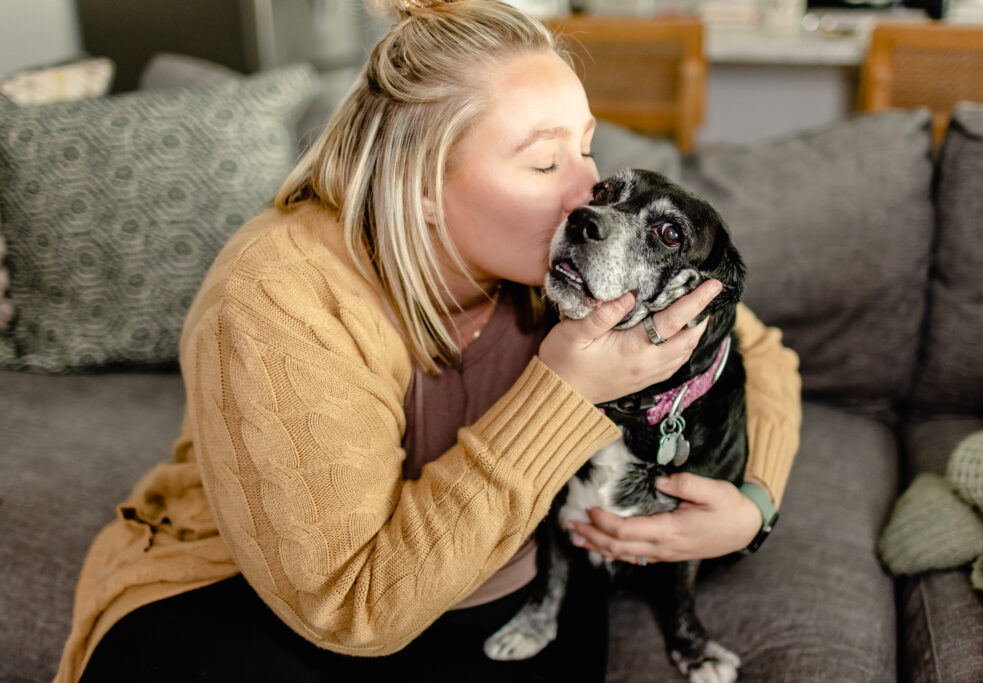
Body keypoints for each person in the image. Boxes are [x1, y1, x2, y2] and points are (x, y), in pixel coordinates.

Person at [56, 1, 801, 681]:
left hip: (508, 580)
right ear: (417, 181)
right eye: (545, 163)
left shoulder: (568, 262)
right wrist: (562, 390)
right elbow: (353, 607)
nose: (588, 197)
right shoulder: (275, 295)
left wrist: (752, 503)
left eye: (587, 152)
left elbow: (751, 345)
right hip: (266, 593)